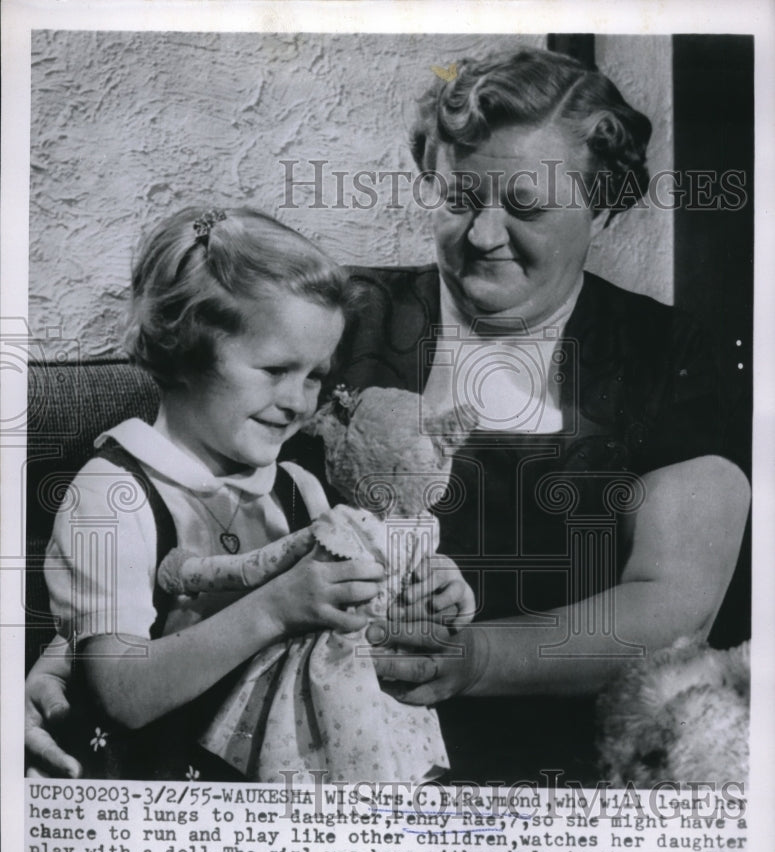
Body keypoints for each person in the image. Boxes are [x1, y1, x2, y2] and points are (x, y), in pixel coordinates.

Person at [27, 48, 750, 784]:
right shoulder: (347, 316)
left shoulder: (666, 355)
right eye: (457, 199)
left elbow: (676, 607)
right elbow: (180, 478)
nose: (482, 235)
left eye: (526, 206)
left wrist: (476, 658)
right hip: (309, 750)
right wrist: (71, 656)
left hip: (549, 756)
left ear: (602, 202)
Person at [37, 205, 467, 781]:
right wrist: (276, 608)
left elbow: (349, 626)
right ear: (184, 348)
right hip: (153, 797)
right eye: (274, 370)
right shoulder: (111, 495)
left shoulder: (300, 489)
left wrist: (415, 590)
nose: (298, 402)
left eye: (315, 376)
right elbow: (122, 693)